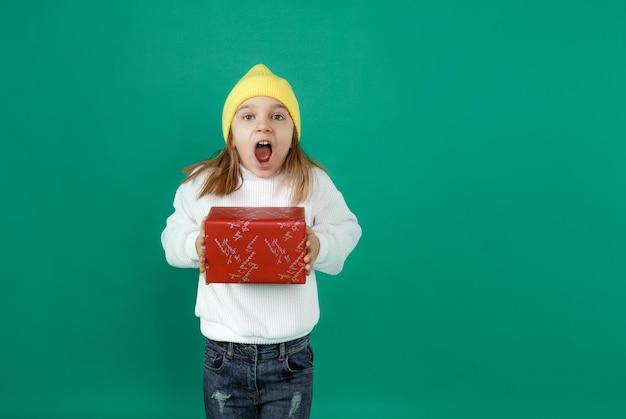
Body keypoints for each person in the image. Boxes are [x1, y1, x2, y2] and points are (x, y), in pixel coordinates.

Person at [161, 64, 361, 419]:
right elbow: (171, 238)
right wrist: (195, 245)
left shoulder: (310, 182)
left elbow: (347, 227)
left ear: (293, 133)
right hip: (224, 354)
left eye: (278, 116)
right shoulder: (203, 185)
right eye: (248, 116)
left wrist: (321, 246)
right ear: (232, 135)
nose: (263, 125)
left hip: (291, 357)